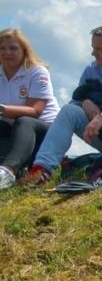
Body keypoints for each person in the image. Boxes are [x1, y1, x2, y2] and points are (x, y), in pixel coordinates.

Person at [22, 24, 102, 185]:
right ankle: (42, 169)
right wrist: (85, 102)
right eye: (93, 48)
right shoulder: (91, 70)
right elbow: (75, 100)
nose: (93, 54)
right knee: (69, 111)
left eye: (99, 49)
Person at [0, 27, 58, 188]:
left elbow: (35, 111)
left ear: (24, 51)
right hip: (12, 126)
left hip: (42, 128)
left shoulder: (37, 72)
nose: (7, 53)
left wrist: (2, 109)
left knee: (24, 121)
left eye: (13, 48)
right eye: (2, 48)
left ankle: (8, 172)